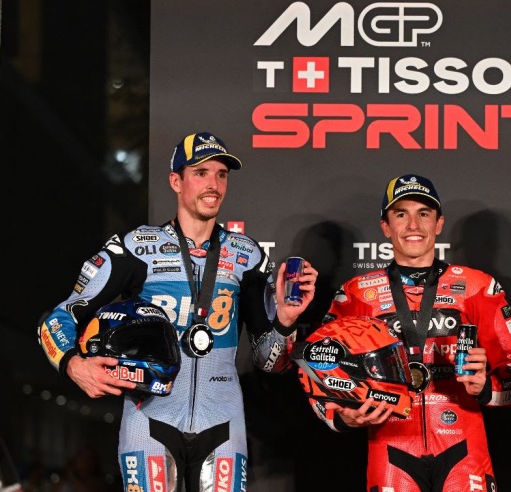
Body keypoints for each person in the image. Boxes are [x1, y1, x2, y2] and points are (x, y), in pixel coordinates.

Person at [37, 132, 317, 492]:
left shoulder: (247, 256)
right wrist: (73, 364)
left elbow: (269, 362)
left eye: (221, 174)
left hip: (223, 421)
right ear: (175, 181)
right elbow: (59, 317)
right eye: (200, 173)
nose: (213, 184)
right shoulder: (136, 248)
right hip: (150, 417)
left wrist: (286, 321)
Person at [306, 173, 511, 491]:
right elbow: (317, 374)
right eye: (401, 214)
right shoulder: (355, 295)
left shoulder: (477, 287)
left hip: (464, 448)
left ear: (438, 223)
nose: (413, 225)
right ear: (386, 226)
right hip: (390, 448)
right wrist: (341, 417)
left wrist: (485, 389)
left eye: (423, 213)